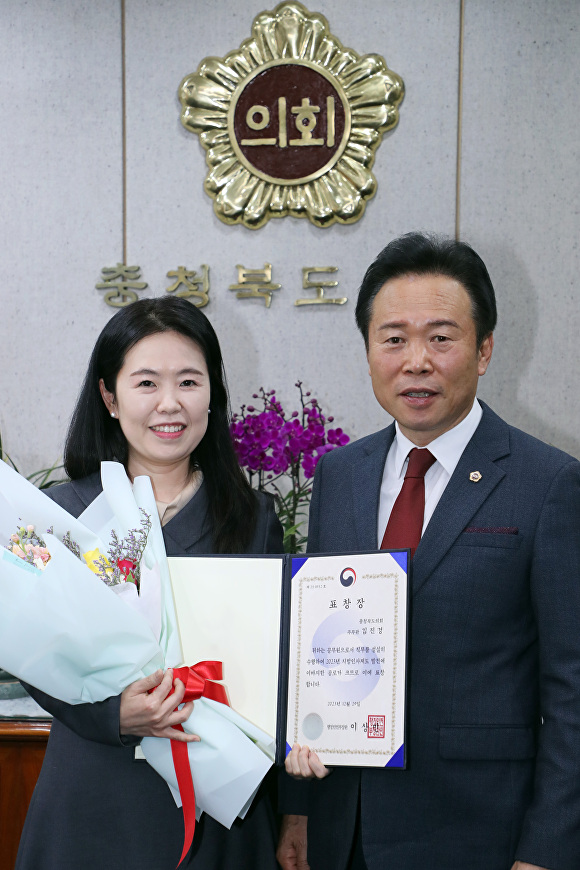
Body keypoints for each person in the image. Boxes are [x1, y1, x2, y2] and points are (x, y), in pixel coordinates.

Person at [277, 233, 580, 870]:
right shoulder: (340, 474)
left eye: (441, 337)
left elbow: (572, 686)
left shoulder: (547, 483)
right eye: (393, 339)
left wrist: (547, 849)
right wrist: (299, 809)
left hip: (479, 833)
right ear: (368, 353)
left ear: (485, 349)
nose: (416, 361)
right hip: (345, 828)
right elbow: (316, 651)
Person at [16, 296, 283, 870]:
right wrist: (113, 714)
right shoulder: (61, 514)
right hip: (95, 790)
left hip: (218, 802)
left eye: (190, 381)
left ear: (213, 394)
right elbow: (33, 648)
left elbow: (272, 660)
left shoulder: (254, 517)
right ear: (110, 397)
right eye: (146, 383)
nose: (170, 403)